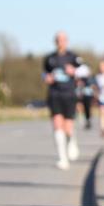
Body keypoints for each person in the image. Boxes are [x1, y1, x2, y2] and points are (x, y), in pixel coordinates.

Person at [43, 31, 84, 169]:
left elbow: (85, 71)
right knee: (57, 124)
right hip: (55, 94)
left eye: (63, 40)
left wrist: (74, 71)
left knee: (68, 126)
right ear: (55, 42)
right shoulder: (49, 58)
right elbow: (45, 74)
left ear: (66, 41)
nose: (61, 42)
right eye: (58, 40)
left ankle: (72, 141)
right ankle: (62, 158)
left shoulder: (73, 57)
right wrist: (47, 78)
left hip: (69, 94)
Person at [75, 62, 95, 130]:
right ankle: (80, 116)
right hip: (78, 92)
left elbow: (92, 86)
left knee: (87, 107)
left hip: (87, 93)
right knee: (78, 104)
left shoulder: (89, 78)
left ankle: (88, 120)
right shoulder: (76, 74)